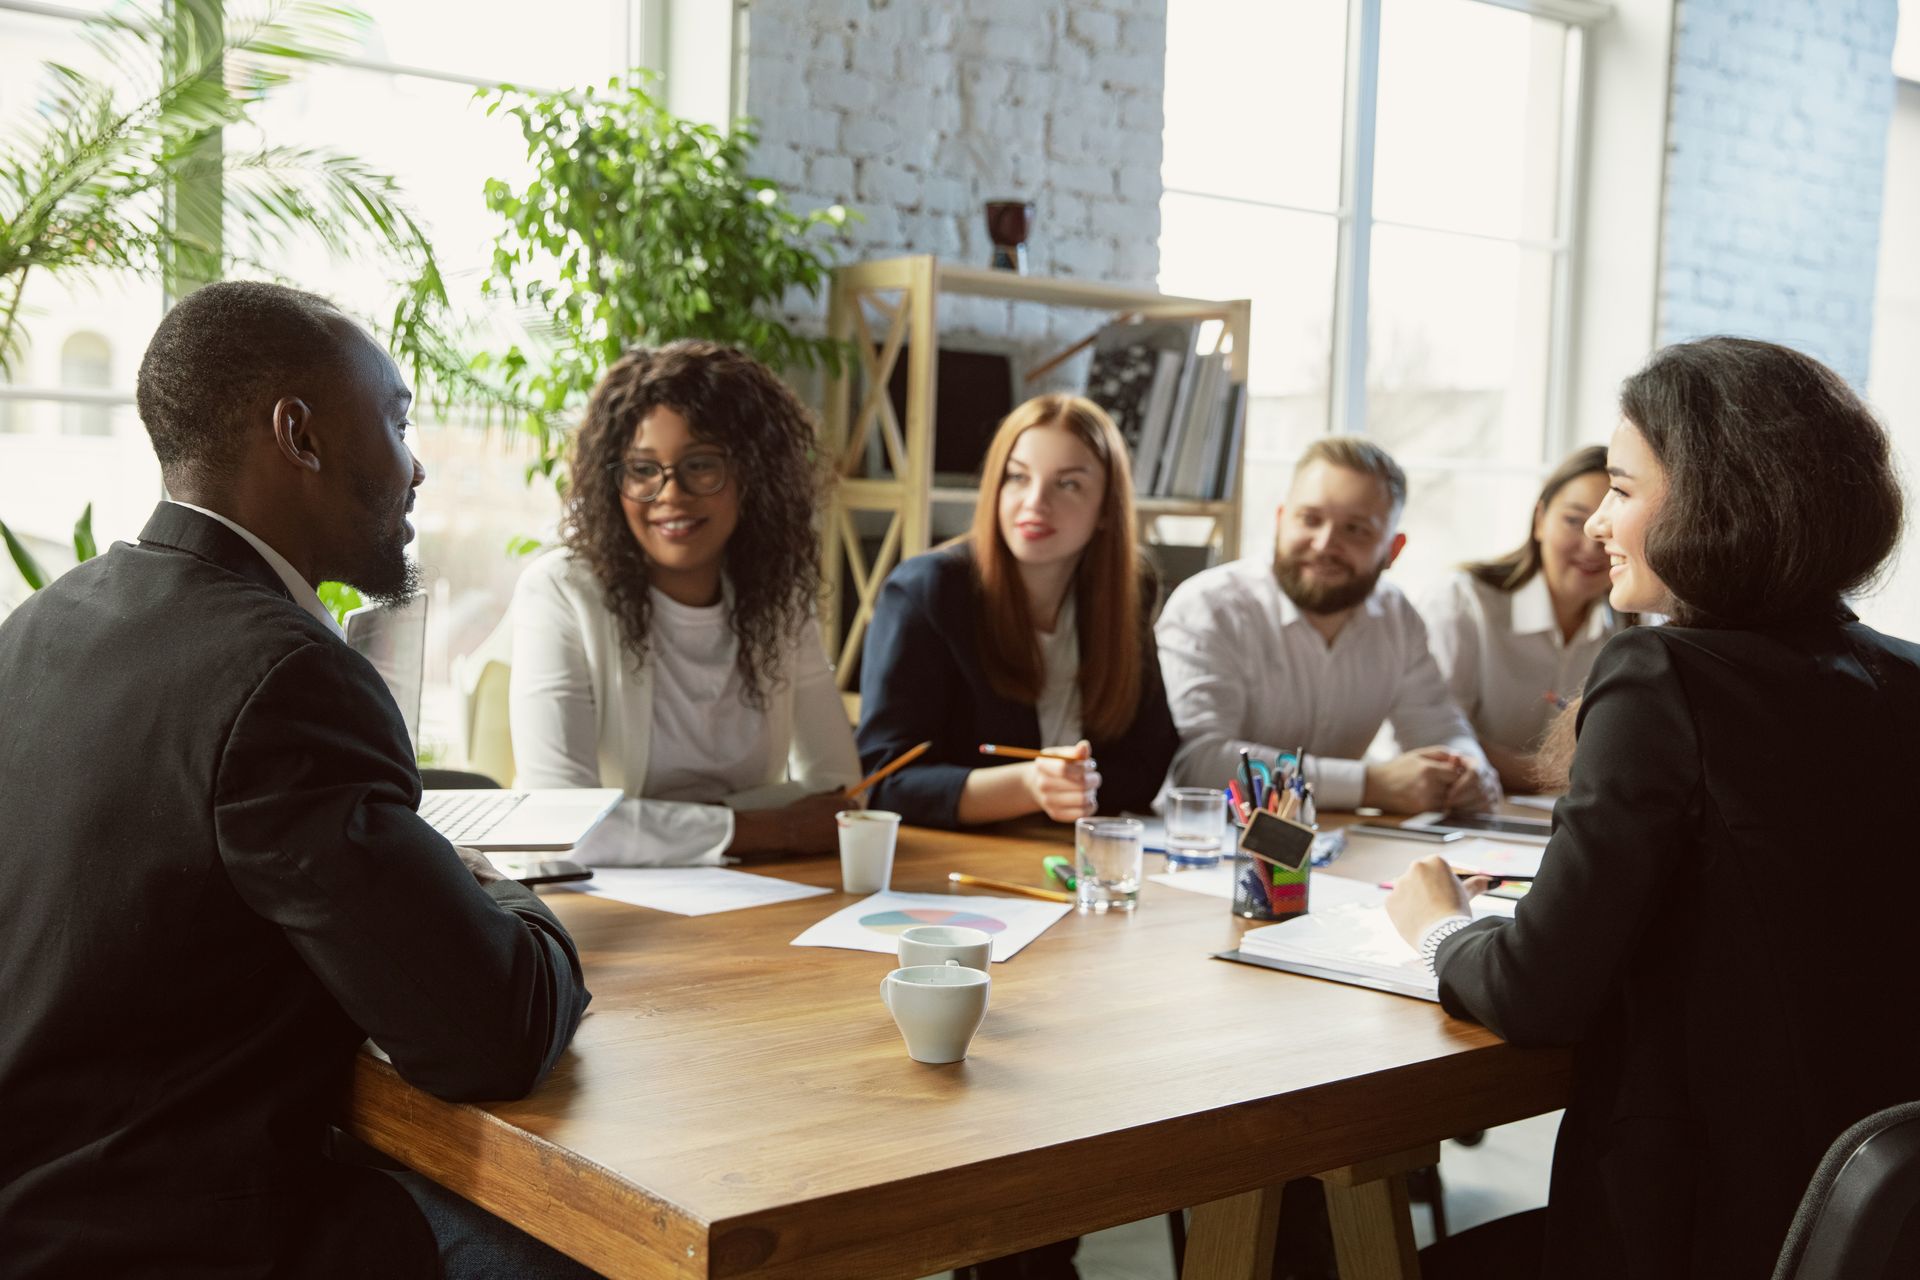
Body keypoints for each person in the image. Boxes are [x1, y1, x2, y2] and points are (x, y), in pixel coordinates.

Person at [0, 281, 592, 1278]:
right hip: (175, 1243)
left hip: (34, 1208)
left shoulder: (43, 622)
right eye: (397, 420)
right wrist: (496, 885)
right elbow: (492, 1029)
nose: (416, 466)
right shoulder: (286, 676)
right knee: (585, 1253)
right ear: (301, 435)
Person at [1386, 337, 1920, 1279]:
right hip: (1869, 1224)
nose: (1594, 522)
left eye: (1623, 491)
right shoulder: (1906, 677)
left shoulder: (1660, 674)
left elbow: (1534, 992)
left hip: (1692, 1226)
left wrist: (1441, 929)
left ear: (1717, 503)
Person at [510, 341, 861, 865]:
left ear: (751, 474)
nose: (671, 494)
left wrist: (660, 824)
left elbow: (839, 793)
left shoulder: (777, 595)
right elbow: (562, 822)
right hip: (599, 907)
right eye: (643, 470)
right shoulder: (561, 591)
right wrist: (771, 827)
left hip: (748, 894)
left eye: (701, 465)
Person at [856, 393, 1178, 830]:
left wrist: (1078, 788)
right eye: (1017, 477)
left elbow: (1147, 760)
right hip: (955, 862)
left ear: (1107, 509)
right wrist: (1028, 786)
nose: (1035, 502)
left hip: (1070, 856)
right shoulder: (926, 592)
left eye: (1068, 484)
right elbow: (882, 782)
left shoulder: (1127, 590)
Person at [1157, 437, 1501, 814]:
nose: (1325, 544)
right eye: (1310, 519)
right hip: (1207, 849)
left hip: (1337, 847)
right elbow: (1200, 765)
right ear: (1280, 519)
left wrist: (1471, 770)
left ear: (1393, 550)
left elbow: (1440, 729)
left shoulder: (1397, 616)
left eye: (1355, 529)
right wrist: (1369, 785)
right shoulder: (1209, 607)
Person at [1418, 446, 1626, 792]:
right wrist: (1550, 775)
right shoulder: (1464, 602)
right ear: (1540, 520)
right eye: (1574, 521)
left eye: (1611, 527)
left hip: (1556, 819)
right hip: (1450, 806)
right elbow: (1434, 733)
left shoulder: (1634, 627)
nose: (1591, 546)